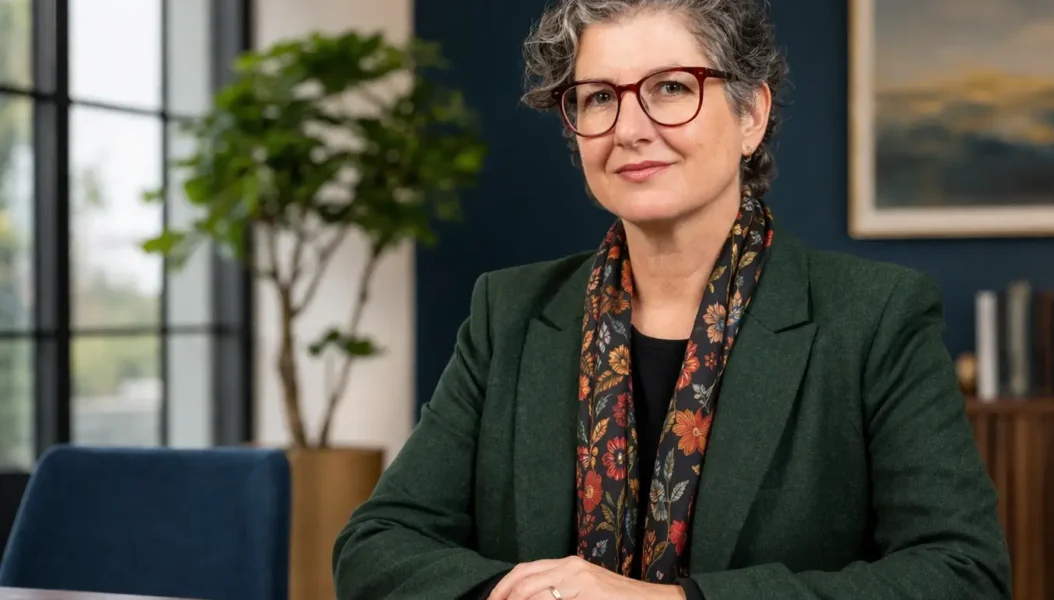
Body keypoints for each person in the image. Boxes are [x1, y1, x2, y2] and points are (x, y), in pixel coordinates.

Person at [332, 0, 1012, 598]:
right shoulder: (506, 314)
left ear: (751, 113)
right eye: (598, 97)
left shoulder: (875, 317)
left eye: (670, 87)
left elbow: (961, 573)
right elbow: (378, 546)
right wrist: (540, 598)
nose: (629, 127)